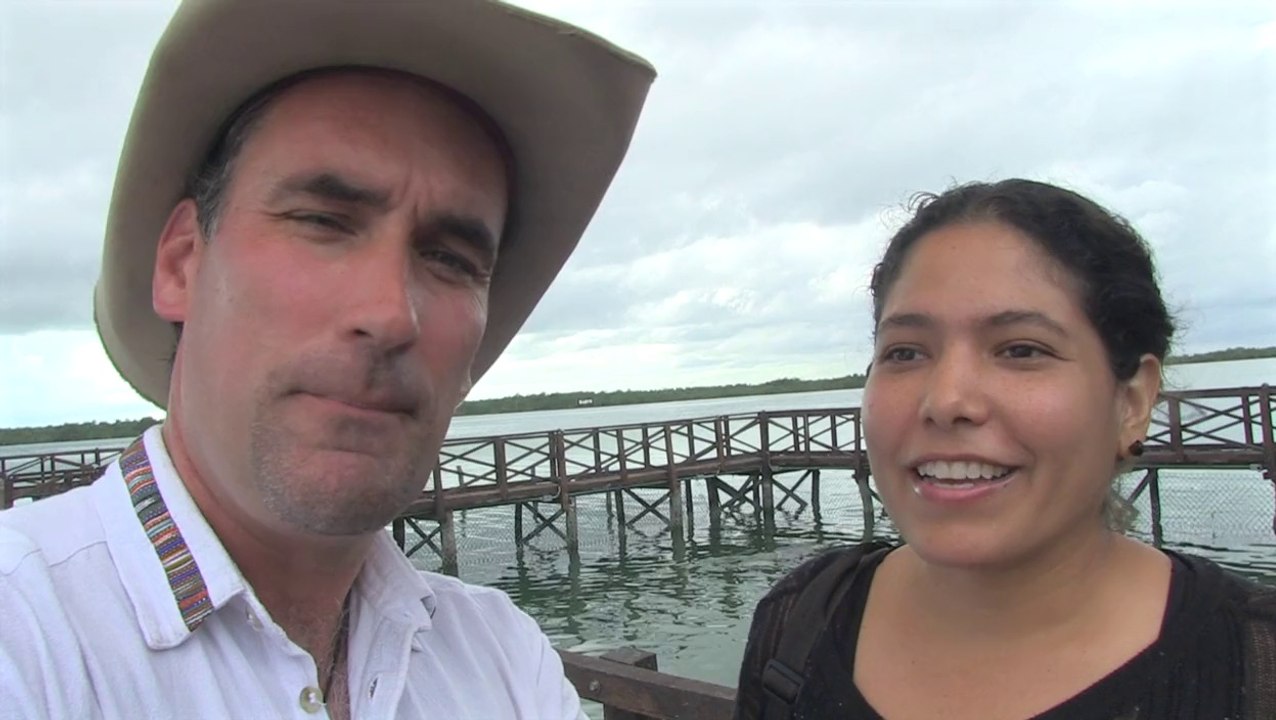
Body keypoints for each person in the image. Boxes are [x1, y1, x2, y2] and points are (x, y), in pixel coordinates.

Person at [0, 1, 654, 718]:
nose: (389, 313)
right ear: (183, 262)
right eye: (321, 221)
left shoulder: (499, 657)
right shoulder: (26, 634)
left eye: (450, 258)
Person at [733, 179, 1276, 720]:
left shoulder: (1252, 665)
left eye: (1020, 349)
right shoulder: (799, 624)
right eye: (905, 353)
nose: (946, 400)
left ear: (1132, 401)